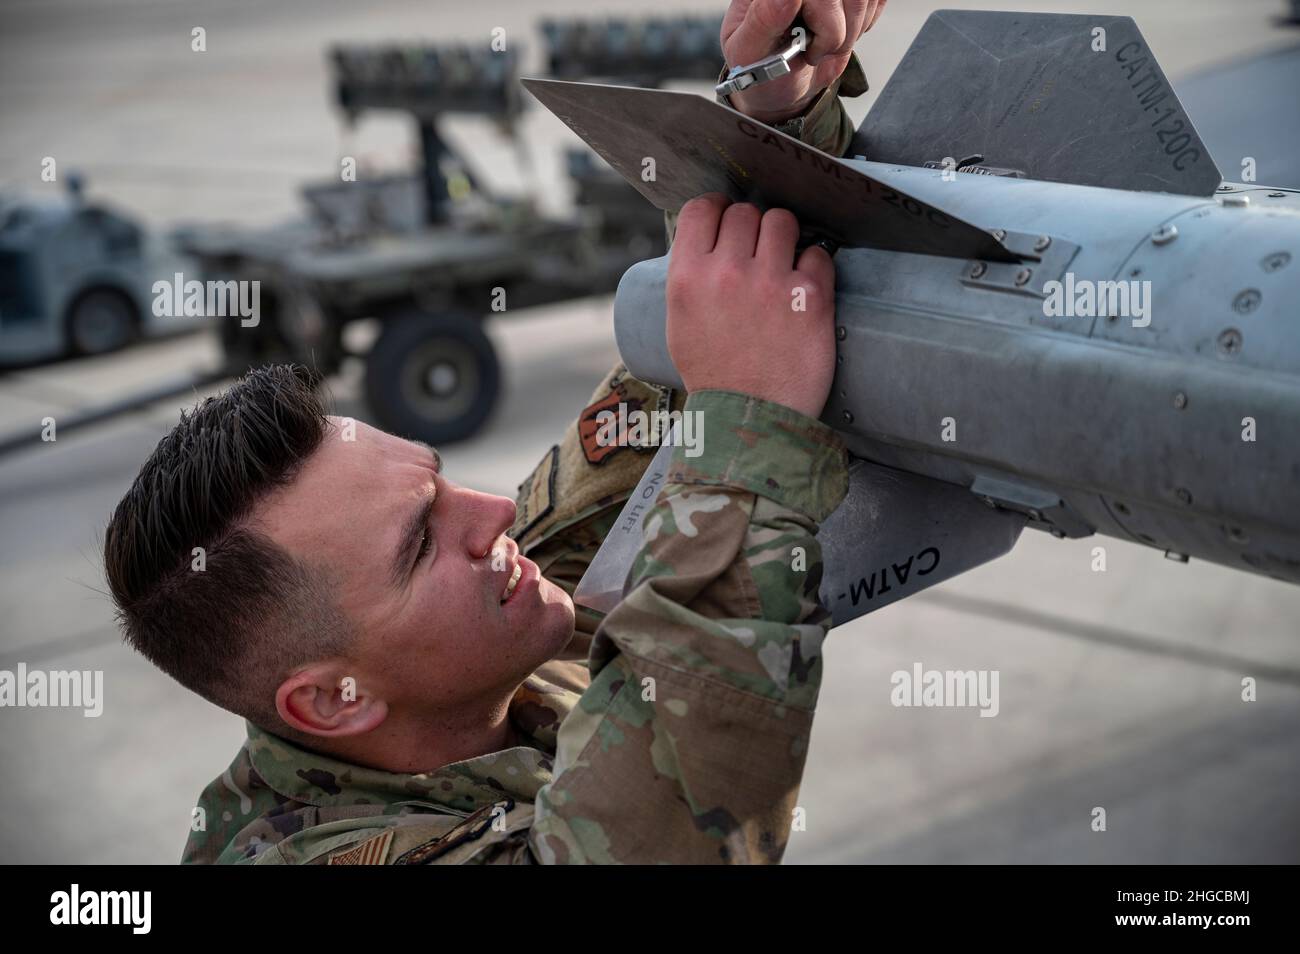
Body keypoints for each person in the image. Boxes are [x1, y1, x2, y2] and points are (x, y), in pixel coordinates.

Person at [103, 0, 887, 865]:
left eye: (439, 485)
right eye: (418, 545)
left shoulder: (475, 637)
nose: (493, 515)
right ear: (332, 702)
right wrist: (749, 432)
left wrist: (775, 110)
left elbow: (683, 388)